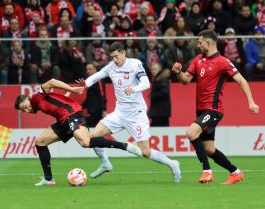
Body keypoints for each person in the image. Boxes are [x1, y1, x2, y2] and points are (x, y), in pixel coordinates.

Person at [76, 42, 181, 182]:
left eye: (116, 56)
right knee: (92, 137)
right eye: (112, 57)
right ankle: (105, 163)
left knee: (145, 152)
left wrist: (134, 89)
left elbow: (145, 83)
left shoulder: (135, 64)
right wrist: (86, 83)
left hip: (136, 114)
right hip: (119, 113)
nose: (114, 60)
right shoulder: (111, 66)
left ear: (124, 53)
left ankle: (173, 164)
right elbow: (98, 75)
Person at [14, 78, 142, 186]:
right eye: (23, 110)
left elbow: (51, 82)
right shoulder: (37, 103)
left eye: (25, 106)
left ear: (28, 99)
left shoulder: (36, 97)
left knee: (85, 142)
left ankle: (125, 146)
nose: (26, 110)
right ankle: (48, 179)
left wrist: (71, 89)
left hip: (71, 114)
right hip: (63, 120)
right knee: (40, 142)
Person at [171, 29, 259, 185]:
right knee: (209, 149)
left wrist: (251, 102)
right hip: (201, 109)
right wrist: (179, 72)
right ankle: (235, 172)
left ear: (208, 43)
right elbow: (185, 81)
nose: (198, 45)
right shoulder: (198, 59)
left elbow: (242, 81)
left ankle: (207, 172)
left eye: (200, 42)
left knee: (191, 132)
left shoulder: (222, 62)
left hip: (213, 109)